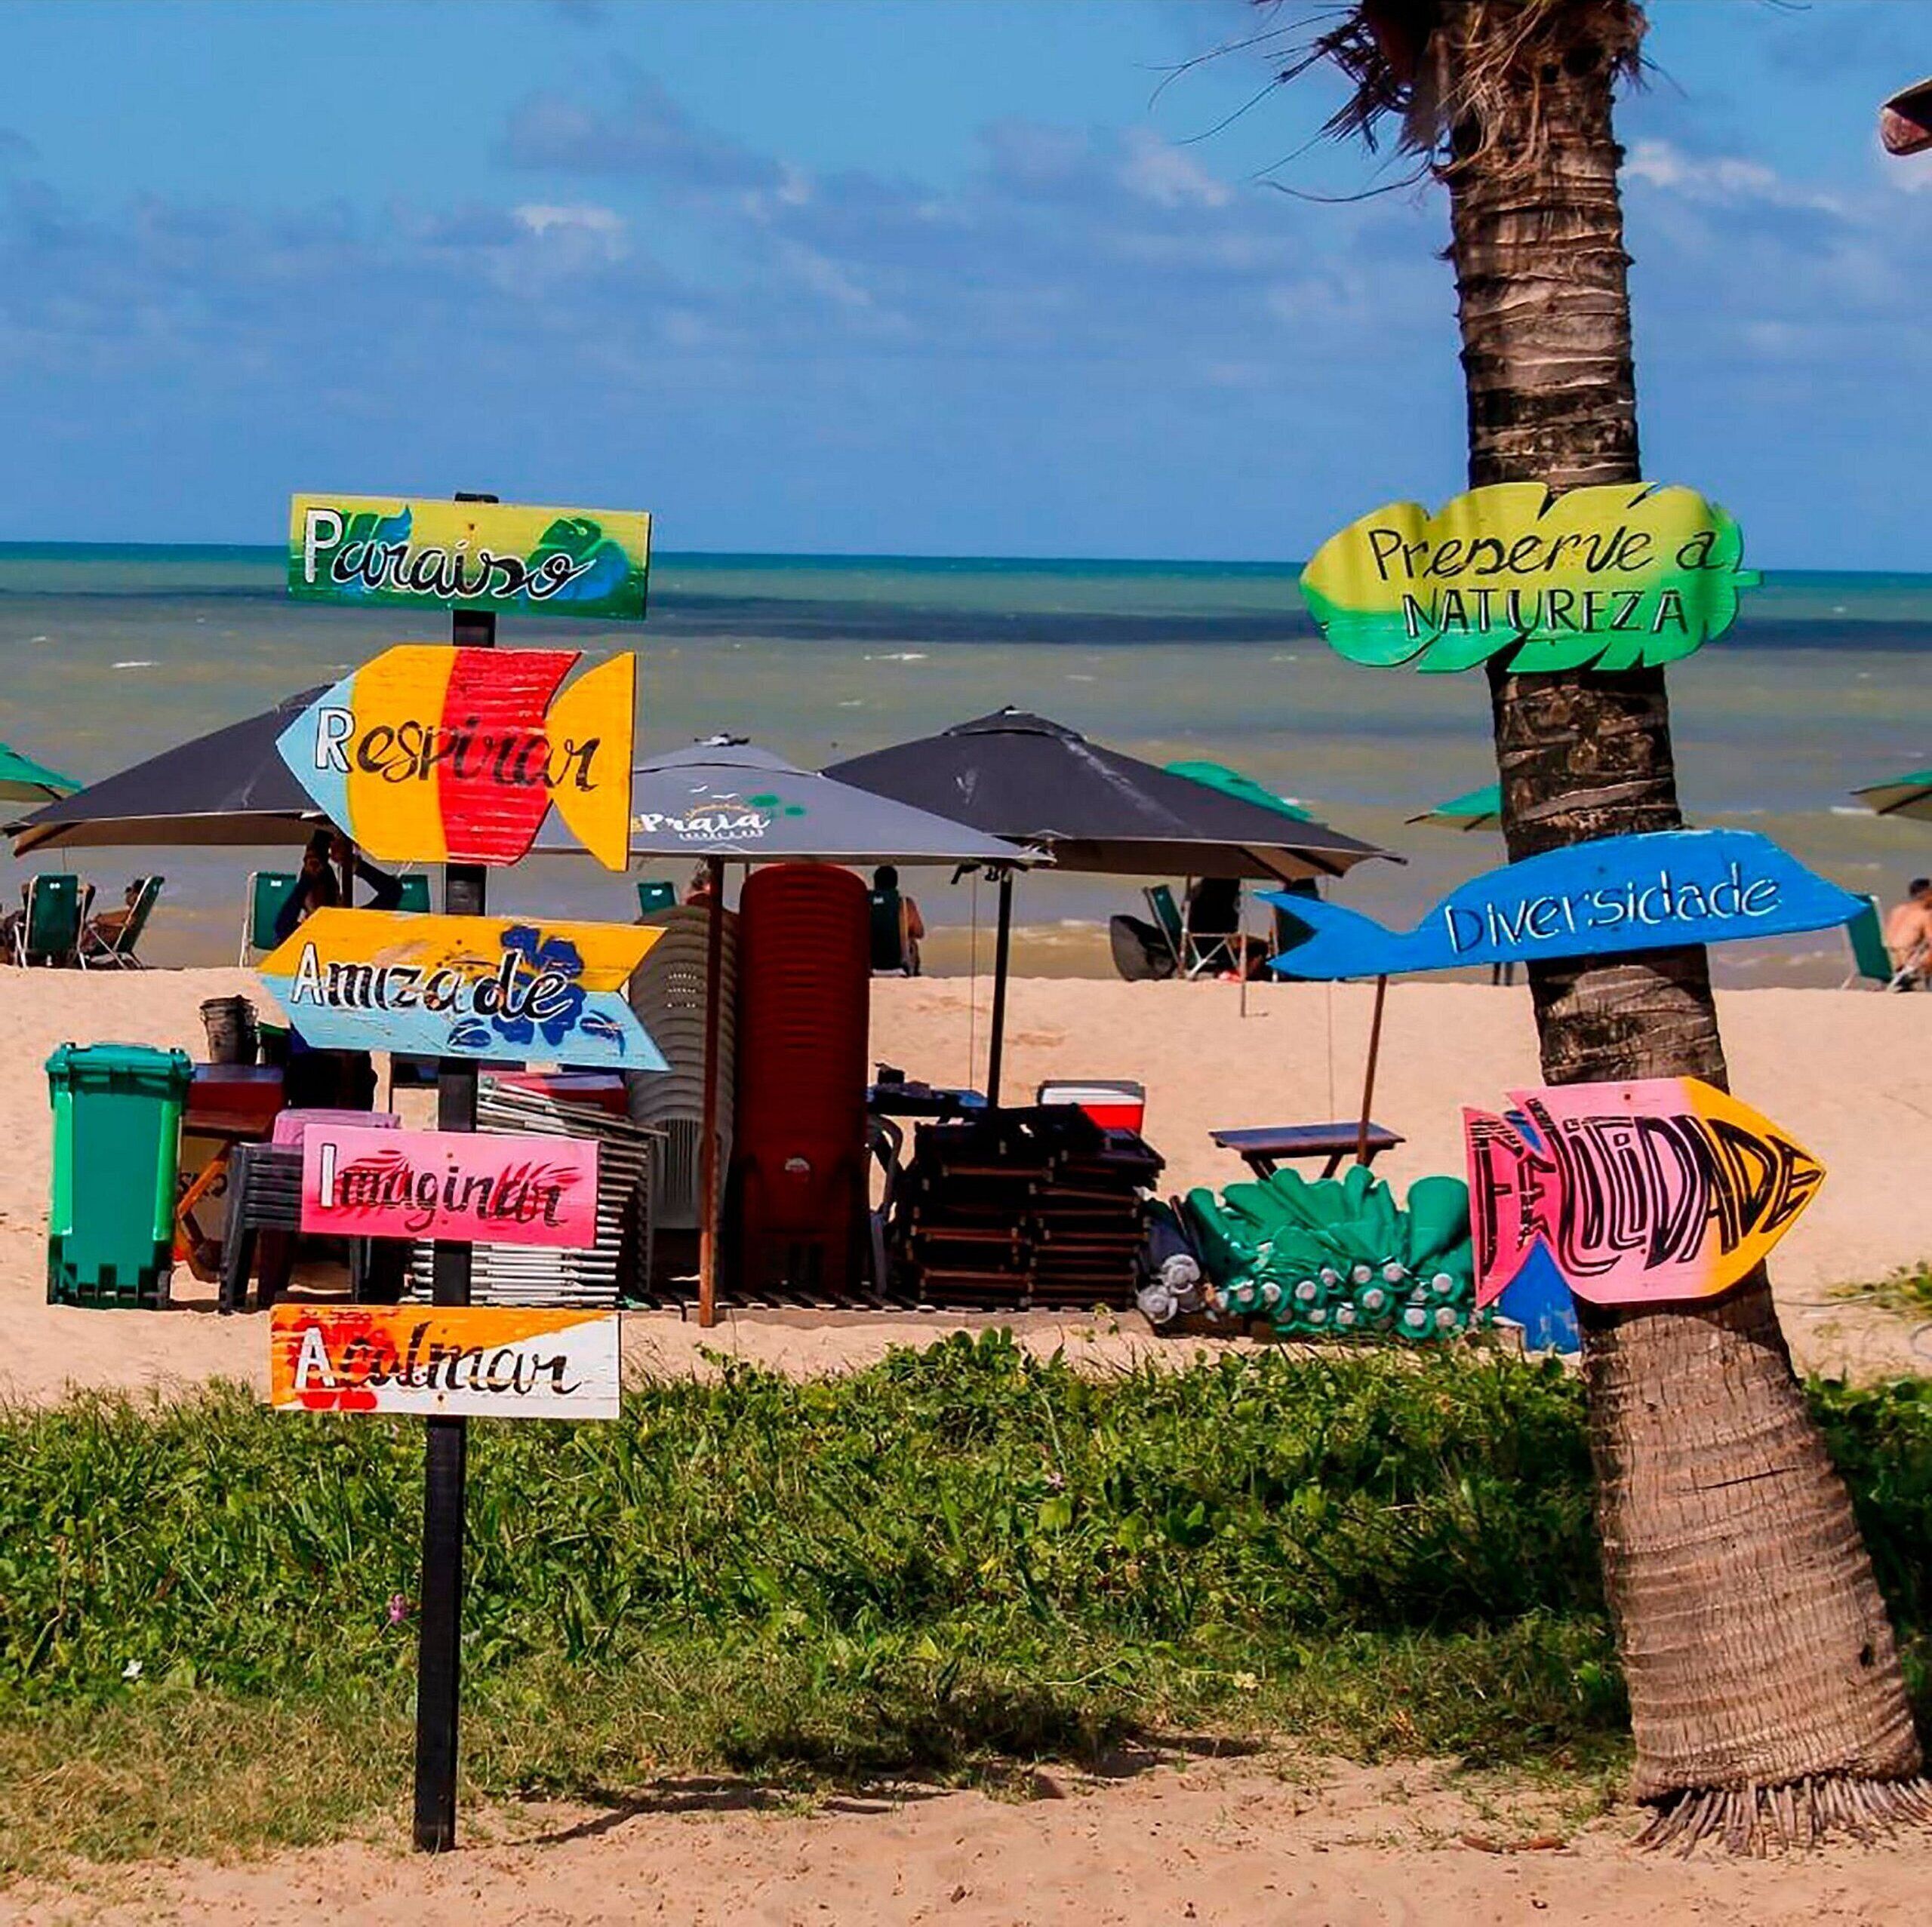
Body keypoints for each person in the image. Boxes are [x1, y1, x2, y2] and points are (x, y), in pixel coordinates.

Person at [273, 831, 403, 943]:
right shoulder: (353, 925)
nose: (320, 899)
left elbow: (392, 891)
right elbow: (282, 927)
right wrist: (355, 865)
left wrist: (353, 864)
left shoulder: (351, 924)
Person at [869, 864, 924, 975]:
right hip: (899, 961)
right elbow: (919, 932)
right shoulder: (905, 903)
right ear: (895, 883)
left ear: (875, 882)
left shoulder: (864, 901)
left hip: (870, 961)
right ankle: (913, 973)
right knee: (912, 940)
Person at [1884, 877, 1932, 988]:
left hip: (1884, 962)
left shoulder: (1897, 910)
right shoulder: (1925, 915)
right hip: (1902, 965)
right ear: (1928, 895)